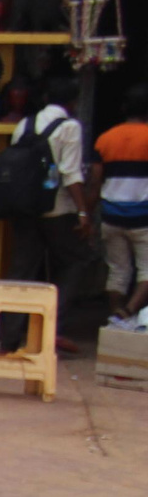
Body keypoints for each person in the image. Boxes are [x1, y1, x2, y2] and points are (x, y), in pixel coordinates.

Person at [0, 72, 93, 351]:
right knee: (76, 261)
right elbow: (71, 173)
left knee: (22, 270)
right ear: (73, 102)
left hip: (23, 208)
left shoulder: (24, 124)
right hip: (56, 209)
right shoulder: (70, 127)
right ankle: (53, 326)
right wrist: (84, 213)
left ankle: (10, 336)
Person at [95, 82, 148, 328]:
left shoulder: (105, 139)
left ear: (125, 108)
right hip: (142, 217)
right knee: (146, 271)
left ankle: (114, 318)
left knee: (118, 270)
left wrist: (85, 214)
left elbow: (95, 182)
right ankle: (125, 314)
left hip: (111, 216)